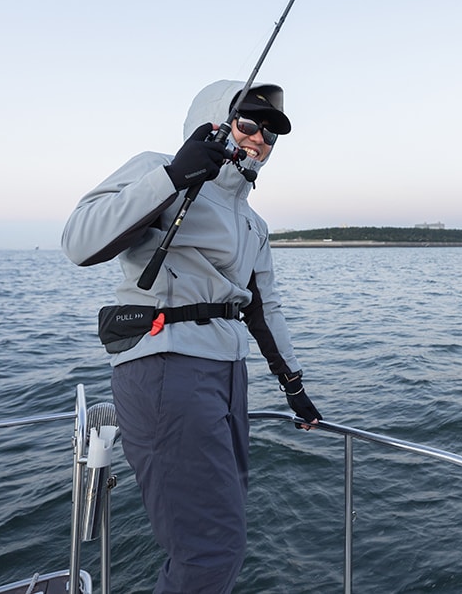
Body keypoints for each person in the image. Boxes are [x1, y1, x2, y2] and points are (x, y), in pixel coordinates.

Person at [61, 80, 322, 594]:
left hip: (229, 375)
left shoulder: (253, 221)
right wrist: (174, 175)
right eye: (248, 123)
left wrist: (294, 387)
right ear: (214, 119)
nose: (259, 139)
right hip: (165, 364)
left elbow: (265, 310)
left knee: (223, 527)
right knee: (210, 548)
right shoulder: (157, 166)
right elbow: (80, 241)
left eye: (271, 133)